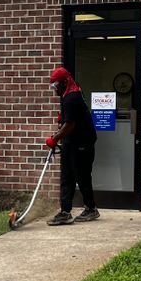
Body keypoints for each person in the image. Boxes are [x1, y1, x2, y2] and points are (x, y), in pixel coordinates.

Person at [45, 66, 99, 225]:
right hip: (71, 141)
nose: (54, 89)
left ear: (63, 83)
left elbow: (70, 125)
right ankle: (65, 211)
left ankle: (91, 208)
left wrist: (54, 138)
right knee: (66, 176)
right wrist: (63, 119)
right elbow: (69, 120)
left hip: (82, 142)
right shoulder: (67, 94)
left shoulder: (72, 98)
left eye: (55, 85)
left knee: (81, 175)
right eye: (52, 86)